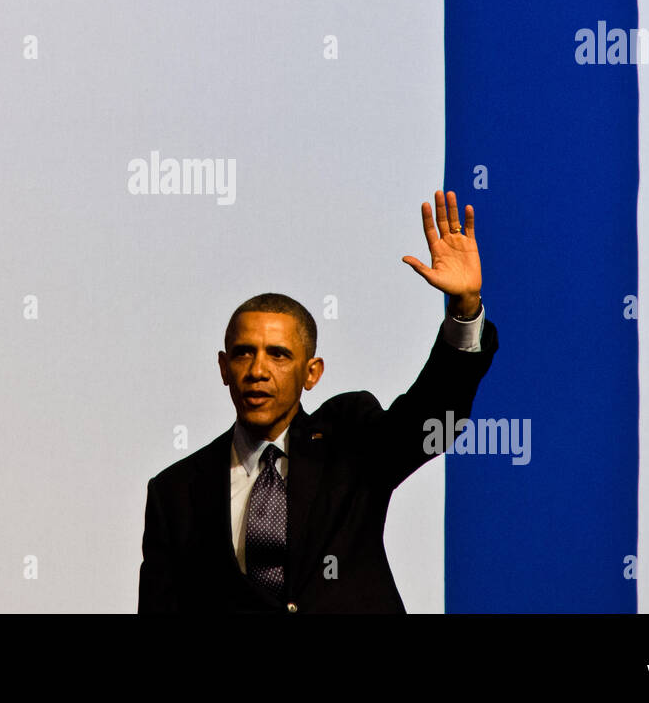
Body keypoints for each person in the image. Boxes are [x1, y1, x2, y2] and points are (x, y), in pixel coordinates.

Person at [137, 189, 499, 612]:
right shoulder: (175, 491)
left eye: (278, 354)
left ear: (312, 373)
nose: (257, 370)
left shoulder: (350, 441)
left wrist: (464, 308)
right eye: (243, 353)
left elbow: (431, 419)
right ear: (223, 368)